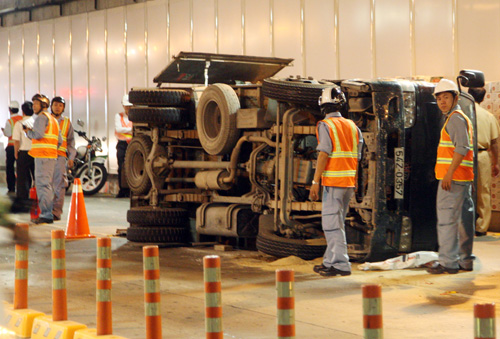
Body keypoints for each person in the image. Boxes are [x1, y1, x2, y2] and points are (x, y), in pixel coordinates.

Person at [309, 86, 363, 277]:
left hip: (333, 182)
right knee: (336, 223)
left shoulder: (326, 125)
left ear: (322, 107)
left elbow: (324, 154)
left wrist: (315, 182)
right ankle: (329, 261)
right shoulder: (352, 126)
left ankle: (340, 264)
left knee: (332, 225)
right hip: (348, 183)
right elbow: (358, 156)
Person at [427, 79, 474, 274]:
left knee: (447, 220)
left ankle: (448, 262)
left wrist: (448, 174)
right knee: (464, 220)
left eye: (445, 97)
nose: (442, 102)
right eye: (438, 99)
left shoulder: (455, 118)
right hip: (462, 178)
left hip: (452, 180)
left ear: (455, 97)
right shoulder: (459, 117)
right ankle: (465, 260)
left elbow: (462, 148)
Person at [468, 87, 500, 236]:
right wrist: (496, 162)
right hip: (482, 156)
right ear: (483, 98)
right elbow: (494, 143)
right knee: (483, 191)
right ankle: (481, 227)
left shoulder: (462, 113)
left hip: (463, 154)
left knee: (462, 190)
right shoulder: (488, 116)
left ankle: (463, 224)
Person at [26, 94, 61, 224]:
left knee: (42, 185)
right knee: (47, 185)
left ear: (43, 105)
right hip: (51, 156)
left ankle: (46, 215)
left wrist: (28, 132)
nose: (33, 106)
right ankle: (47, 213)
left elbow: (38, 134)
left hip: (42, 156)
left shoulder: (41, 118)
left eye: (36, 104)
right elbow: (59, 140)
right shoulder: (53, 119)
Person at [51, 96, 76, 221]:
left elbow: (71, 142)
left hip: (60, 158)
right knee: (45, 186)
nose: (57, 107)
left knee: (59, 185)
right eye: (55, 104)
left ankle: (56, 212)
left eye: (60, 105)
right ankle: (45, 210)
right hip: (45, 156)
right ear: (51, 106)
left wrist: (71, 157)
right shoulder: (46, 119)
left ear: (63, 108)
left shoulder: (66, 122)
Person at [12, 101, 35, 204]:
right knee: (36, 176)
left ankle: (23, 200)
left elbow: (16, 141)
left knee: (23, 178)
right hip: (36, 152)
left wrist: (16, 153)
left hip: (24, 153)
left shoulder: (19, 123)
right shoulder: (36, 122)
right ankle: (37, 198)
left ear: (23, 111)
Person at [115, 94, 133, 198]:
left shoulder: (137, 116)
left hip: (133, 144)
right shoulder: (119, 116)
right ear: (123, 106)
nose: (128, 108)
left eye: (130, 106)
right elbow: (119, 129)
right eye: (127, 106)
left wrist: (126, 130)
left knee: (132, 166)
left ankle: (132, 190)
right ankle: (123, 190)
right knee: (121, 166)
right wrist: (131, 130)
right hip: (122, 144)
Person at [2, 101, 22, 195]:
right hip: (22, 148)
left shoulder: (9, 121)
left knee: (10, 168)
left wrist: (4, 131)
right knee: (21, 168)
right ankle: (22, 187)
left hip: (11, 147)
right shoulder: (23, 119)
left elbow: (8, 133)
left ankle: (11, 188)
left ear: (10, 110)